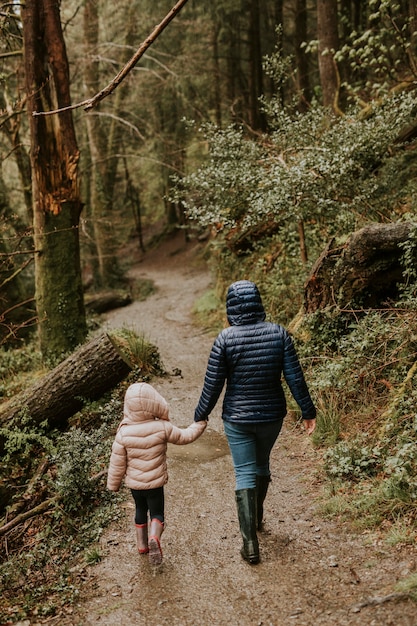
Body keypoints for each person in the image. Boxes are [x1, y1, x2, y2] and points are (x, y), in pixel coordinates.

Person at [194, 280, 316, 565]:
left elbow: (212, 385)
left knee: (244, 473)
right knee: (262, 465)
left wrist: (200, 414)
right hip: (272, 416)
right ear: (259, 304)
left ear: (230, 308)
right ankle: (257, 517)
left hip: (237, 419)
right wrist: (308, 411)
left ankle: (250, 543)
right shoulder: (279, 334)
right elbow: (295, 378)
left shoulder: (225, 339)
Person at [107, 382, 206, 566]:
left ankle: (142, 545)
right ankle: (155, 536)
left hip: (135, 486)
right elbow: (185, 436)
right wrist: (199, 424)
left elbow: (117, 462)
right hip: (155, 484)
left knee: (139, 510)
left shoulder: (123, 433)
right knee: (157, 513)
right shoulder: (161, 427)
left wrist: (113, 485)